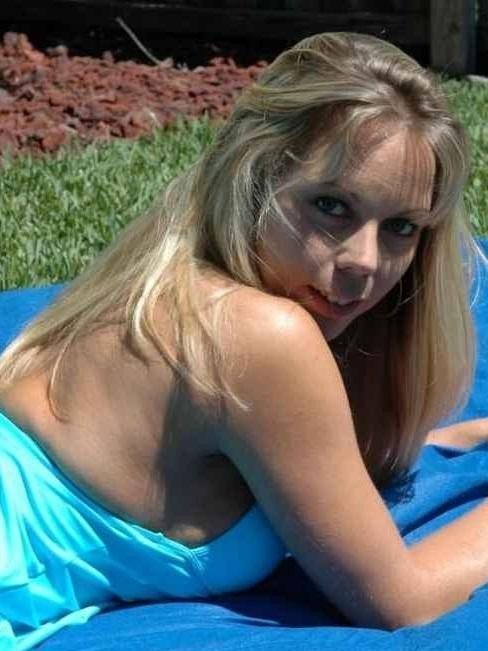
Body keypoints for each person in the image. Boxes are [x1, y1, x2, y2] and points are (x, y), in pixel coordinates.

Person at [0, 31, 488, 646]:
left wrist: (455, 438)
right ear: (254, 176)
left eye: (401, 227)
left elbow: (315, 459)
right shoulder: (263, 336)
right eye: (331, 206)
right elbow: (404, 602)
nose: (365, 261)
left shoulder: (169, 276)